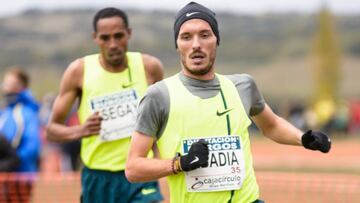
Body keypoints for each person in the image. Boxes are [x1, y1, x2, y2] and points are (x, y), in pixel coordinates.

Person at [125, 2, 331, 203]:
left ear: (216, 40)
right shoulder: (159, 95)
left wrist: (303, 138)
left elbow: (272, 125)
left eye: (205, 35)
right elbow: (133, 168)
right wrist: (180, 163)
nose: (196, 44)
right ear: (177, 45)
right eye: (186, 37)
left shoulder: (243, 86)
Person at [46, 7, 164, 203]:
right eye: (105, 38)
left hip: (139, 171)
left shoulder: (149, 67)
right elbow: (51, 130)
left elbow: (163, 123)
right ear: (95, 38)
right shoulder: (79, 71)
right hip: (98, 176)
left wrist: (165, 162)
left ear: (129, 33)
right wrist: (81, 130)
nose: (113, 44)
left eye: (119, 36)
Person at [0, 67, 41, 203]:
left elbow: (32, 147)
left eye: (11, 84)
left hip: (20, 177)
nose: (6, 88)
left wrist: (10, 164)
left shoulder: (26, 113)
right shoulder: (5, 112)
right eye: (5, 83)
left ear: (21, 87)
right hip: (4, 177)